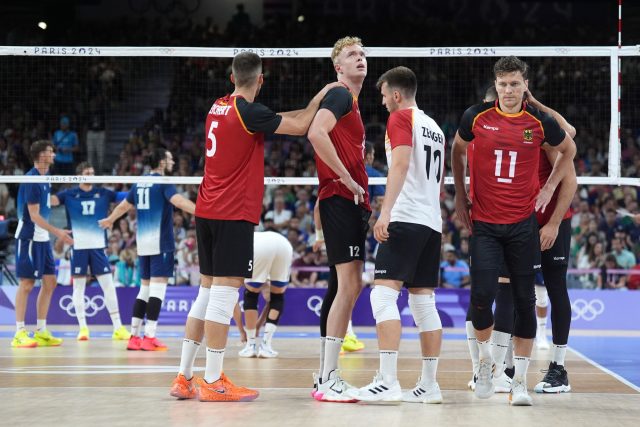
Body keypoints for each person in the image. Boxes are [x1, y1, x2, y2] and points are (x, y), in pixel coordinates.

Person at [169, 51, 339, 403]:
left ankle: (184, 377)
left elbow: (274, 119)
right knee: (223, 295)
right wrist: (320, 97)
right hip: (232, 214)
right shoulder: (250, 112)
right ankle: (213, 380)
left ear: (232, 78)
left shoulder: (218, 106)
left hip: (207, 210)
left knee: (206, 292)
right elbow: (303, 124)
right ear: (260, 79)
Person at [452, 56, 576, 406]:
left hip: (523, 226)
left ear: (525, 86)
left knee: (526, 300)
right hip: (486, 226)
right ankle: (486, 365)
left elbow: (570, 148)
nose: (509, 90)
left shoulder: (538, 121)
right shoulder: (476, 115)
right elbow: (458, 149)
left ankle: (519, 382)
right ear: (496, 85)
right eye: (503, 83)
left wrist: (549, 188)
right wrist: (461, 195)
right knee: (481, 298)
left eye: (515, 83)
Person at [349, 66, 446, 404]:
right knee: (422, 303)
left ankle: (388, 381)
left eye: (383, 94)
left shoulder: (401, 118)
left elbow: (401, 165)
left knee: (382, 297)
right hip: (431, 221)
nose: (382, 101)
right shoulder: (434, 127)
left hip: (405, 218)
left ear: (396, 94)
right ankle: (429, 385)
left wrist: (386, 211)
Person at [307, 36, 370, 403]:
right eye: (351, 55)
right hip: (339, 197)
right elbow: (316, 132)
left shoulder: (353, 102)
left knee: (340, 287)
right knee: (350, 285)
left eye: (362, 54)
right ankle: (329, 377)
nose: (359, 58)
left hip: (348, 201)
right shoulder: (341, 95)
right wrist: (346, 178)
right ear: (338, 67)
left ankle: (324, 377)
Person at [100, 147, 195, 351]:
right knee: (158, 290)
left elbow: (124, 206)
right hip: (161, 243)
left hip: (143, 244)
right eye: (169, 158)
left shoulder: (139, 182)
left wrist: (110, 219)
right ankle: (149, 336)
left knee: (145, 289)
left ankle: (134, 337)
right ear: (161, 162)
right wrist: (203, 211)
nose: (172, 162)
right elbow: (177, 201)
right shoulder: (163, 182)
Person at [51, 162, 131, 341]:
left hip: (97, 247)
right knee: (78, 287)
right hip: (78, 247)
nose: (92, 176)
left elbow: (125, 197)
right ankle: (83, 328)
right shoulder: (68, 194)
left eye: (93, 173)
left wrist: (140, 186)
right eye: (88, 173)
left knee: (108, 286)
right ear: (79, 175)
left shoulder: (103, 193)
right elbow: (51, 201)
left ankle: (118, 328)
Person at [11, 140, 73, 348]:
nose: (54, 155)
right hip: (29, 237)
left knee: (50, 282)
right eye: (50, 152)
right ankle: (19, 332)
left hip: (42, 239)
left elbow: (49, 202)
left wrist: (71, 196)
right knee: (27, 284)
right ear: (41, 156)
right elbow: (34, 215)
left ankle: (40, 330)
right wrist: (59, 233)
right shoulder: (32, 180)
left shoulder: (46, 178)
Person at [312, 201, 365, 353]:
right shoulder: (336, 181)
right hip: (342, 229)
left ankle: (346, 334)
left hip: (346, 228)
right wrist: (319, 236)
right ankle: (333, 340)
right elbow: (318, 207)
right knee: (342, 288)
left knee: (348, 287)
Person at [238, 231, 293, 358]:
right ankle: (266, 346)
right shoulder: (268, 282)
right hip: (284, 244)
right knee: (277, 296)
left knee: (250, 293)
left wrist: (243, 331)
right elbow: (272, 301)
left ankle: (250, 346)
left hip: (259, 247)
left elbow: (238, 302)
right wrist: (257, 326)